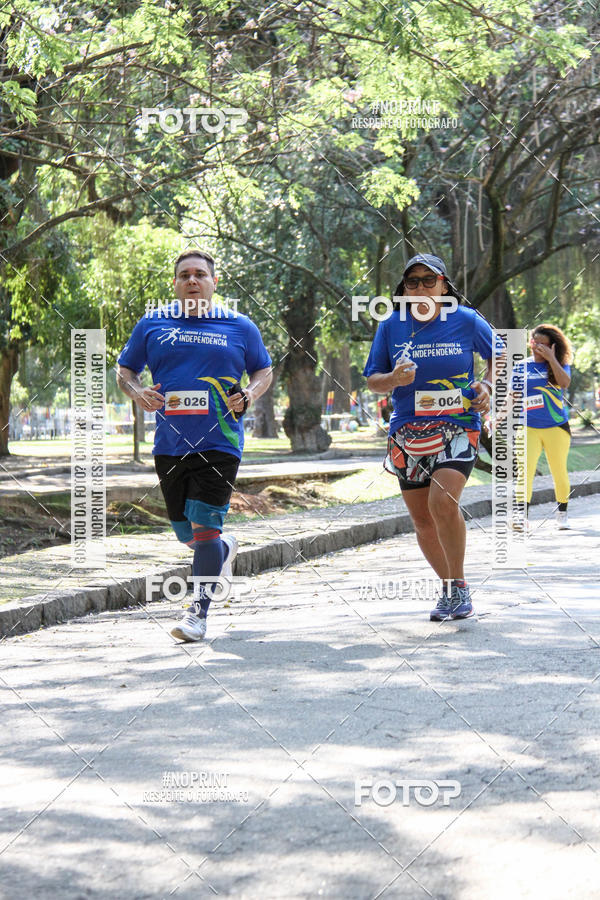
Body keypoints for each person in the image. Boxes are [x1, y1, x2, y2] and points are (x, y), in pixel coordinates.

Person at [117, 250, 272, 641]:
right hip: (170, 443)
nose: (192, 280)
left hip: (221, 441)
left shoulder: (239, 326)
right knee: (188, 534)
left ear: (213, 282)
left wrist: (249, 394)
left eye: (200, 274)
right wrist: (137, 393)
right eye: (184, 274)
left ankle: (197, 614)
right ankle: (224, 547)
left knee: (205, 529)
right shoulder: (153, 323)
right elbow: (125, 370)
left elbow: (264, 370)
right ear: (174, 283)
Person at [363, 253, 502, 621]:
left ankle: (455, 587)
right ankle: (453, 588)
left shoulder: (466, 320)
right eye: (413, 281)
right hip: (407, 430)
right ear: (404, 288)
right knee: (423, 519)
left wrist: (486, 384)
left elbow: (504, 356)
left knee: (442, 502)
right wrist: (393, 379)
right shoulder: (391, 325)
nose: (421, 287)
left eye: (429, 279)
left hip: (459, 424)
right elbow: (373, 380)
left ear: (444, 284)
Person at [523, 325, 573, 529]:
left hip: (556, 427)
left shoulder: (560, 365)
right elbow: (513, 395)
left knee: (559, 471)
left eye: (543, 345)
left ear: (552, 346)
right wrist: (497, 417)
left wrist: (552, 359)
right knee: (525, 471)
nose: (537, 348)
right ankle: (521, 517)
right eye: (535, 344)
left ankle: (562, 514)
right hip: (528, 427)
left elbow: (565, 383)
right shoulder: (521, 366)